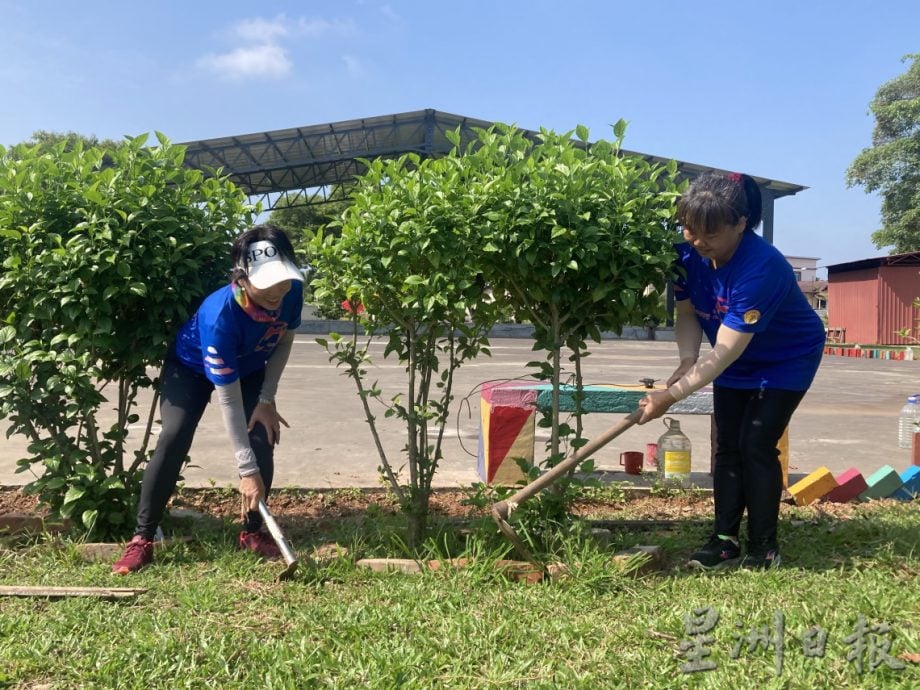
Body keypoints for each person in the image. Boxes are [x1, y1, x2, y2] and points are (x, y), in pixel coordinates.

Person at [637, 172, 824, 571]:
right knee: (727, 447)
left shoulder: (762, 268)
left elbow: (723, 353)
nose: (699, 242)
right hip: (734, 355)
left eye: (711, 233)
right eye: (690, 230)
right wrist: (687, 357)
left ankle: (764, 546)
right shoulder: (687, 254)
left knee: (755, 445)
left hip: (784, 359)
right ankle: (723, 539)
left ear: (741, 223)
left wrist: (668, 397)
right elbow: (687, 312)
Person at [113, 224, 304, 574]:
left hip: (250, 369)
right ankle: (141, 538)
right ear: (242, 278)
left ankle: (251, 532)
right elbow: (228, 401)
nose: (277, 291)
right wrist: (246, 471)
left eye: (284, 279)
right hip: (190, 368)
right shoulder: (220, 317)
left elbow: (285, 341)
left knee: (261, 435)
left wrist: (266, 398)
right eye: (267, 283)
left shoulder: (291, 293)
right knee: (175, 435)